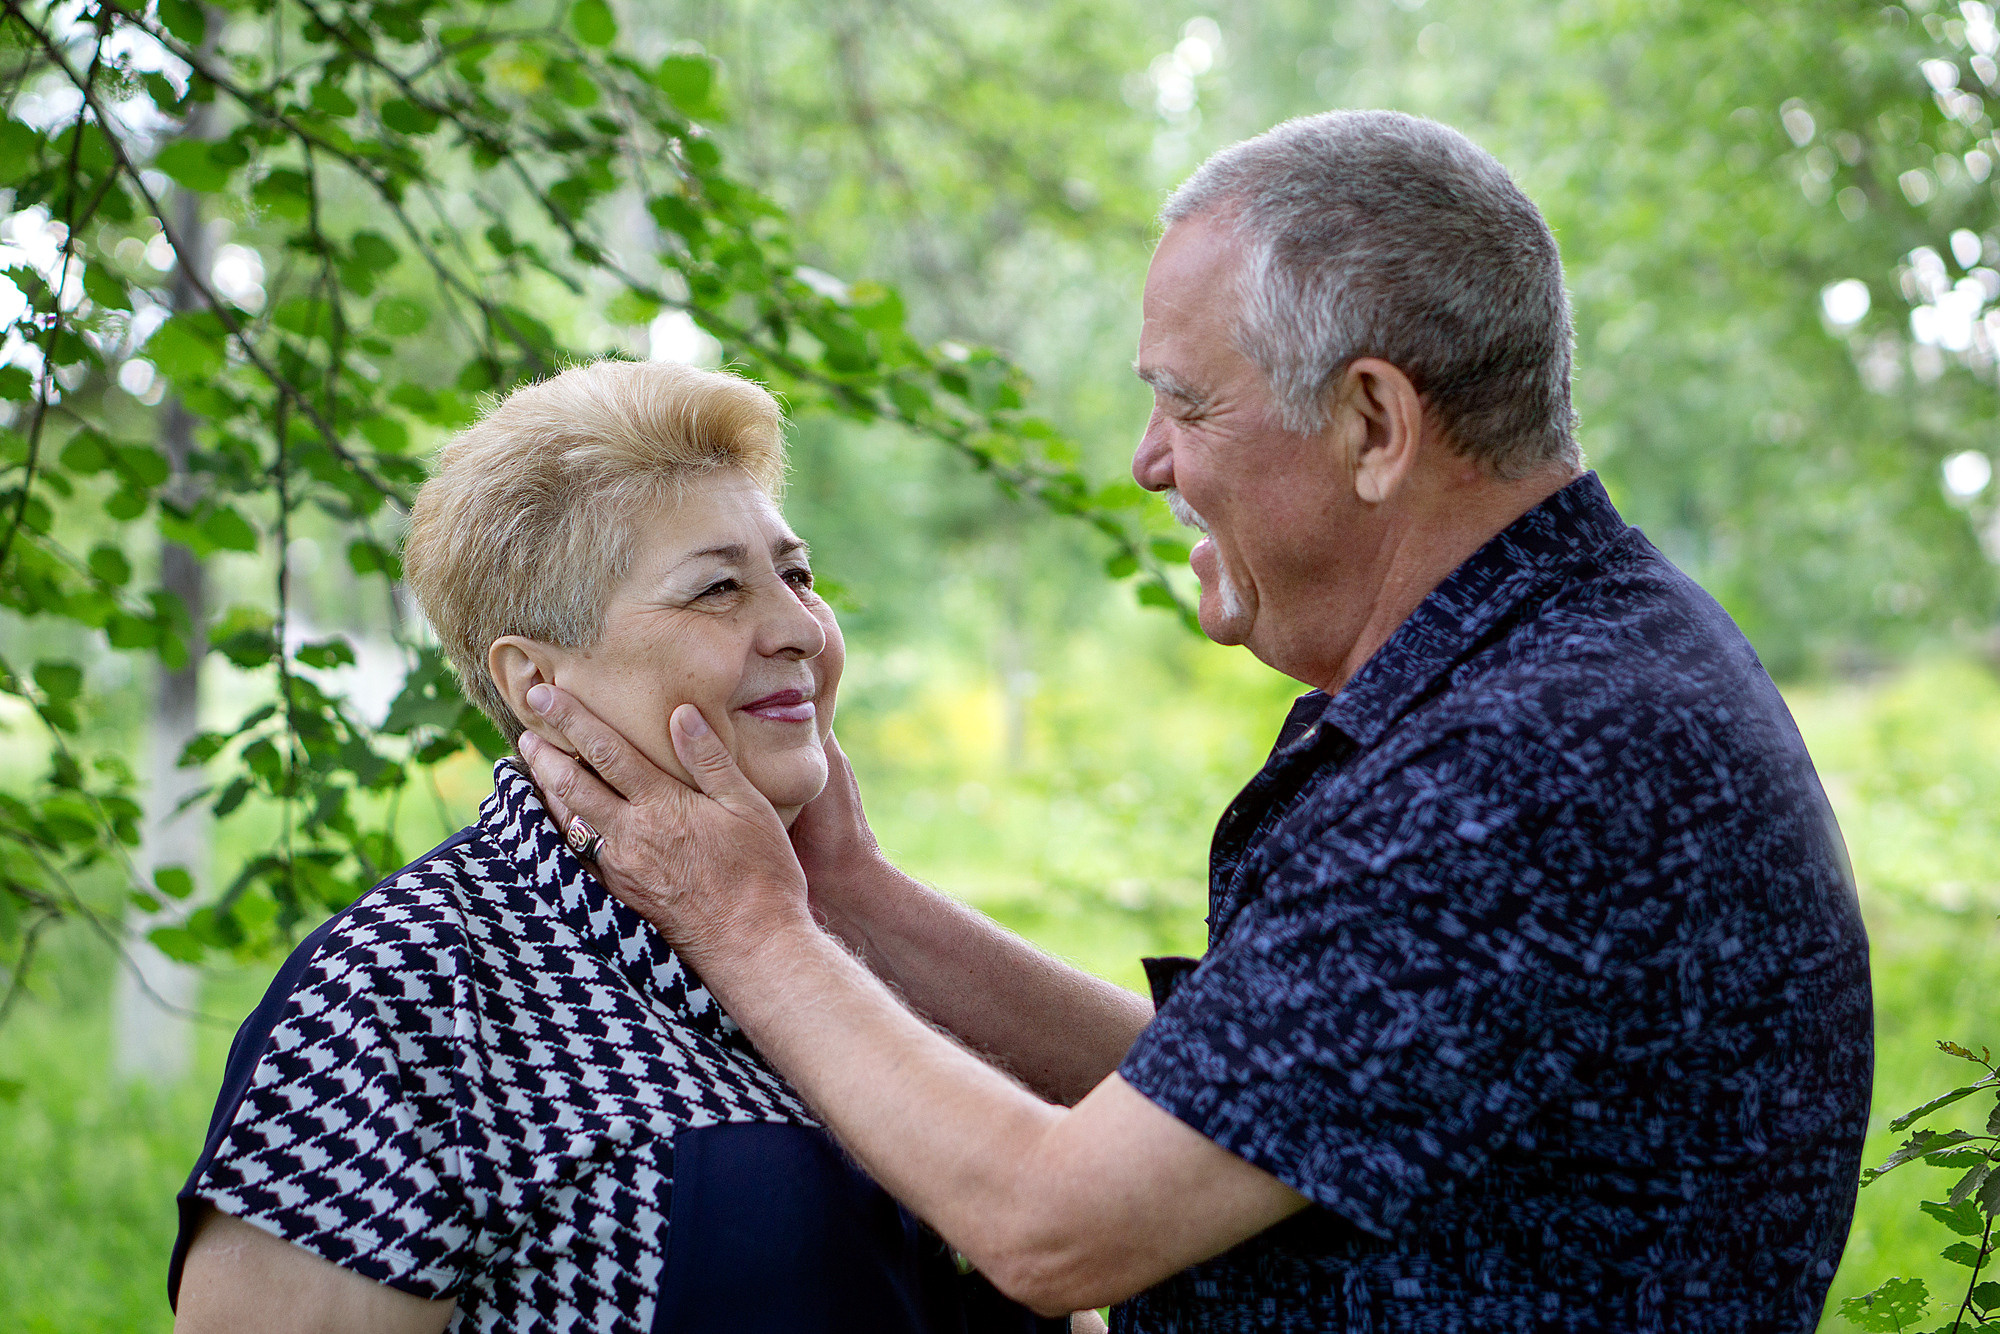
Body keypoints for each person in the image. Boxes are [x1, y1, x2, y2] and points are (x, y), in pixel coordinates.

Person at [517, 110, 1875, 1333]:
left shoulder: (1526, 759)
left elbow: (1056, 1224)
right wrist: (850, 894)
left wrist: (750, 923)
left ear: (1373, 423)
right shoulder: (1554, 665)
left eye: (1186, 401)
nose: (1147, 459)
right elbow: (1233, 1102)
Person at [168, 359, 1074, 1334]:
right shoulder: (407, 984)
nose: (799, 628)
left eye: (796, 574)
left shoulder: (871, 948)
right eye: (717, 589)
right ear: (536, 680)